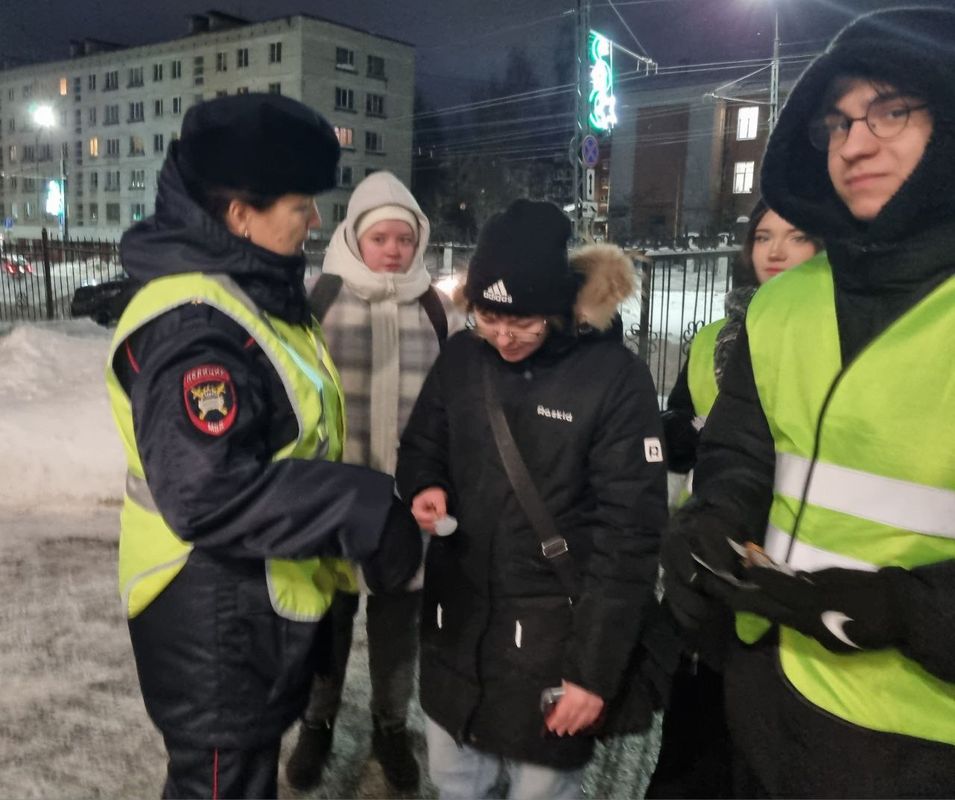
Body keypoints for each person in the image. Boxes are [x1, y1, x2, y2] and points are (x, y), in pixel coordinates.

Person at [662, 7, 955, 796]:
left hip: (922, 742)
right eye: (836, 123)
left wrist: (905, 609)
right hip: (768, 700)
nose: (853, 144)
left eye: (890, 111)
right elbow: (740, 455)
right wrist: (709, 523)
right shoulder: (782, 306)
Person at [105, 94, 422, 799]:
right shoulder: (197, 325)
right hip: (212, 622)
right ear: (239, 214)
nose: (315, 220)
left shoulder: (251, 294)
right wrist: (364, 509)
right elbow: (206, 489)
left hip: (247, 608)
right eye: (300, 205)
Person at [396, 199, 668, 800]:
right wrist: (424, 485)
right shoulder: (462, 357)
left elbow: (631, 538)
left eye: (522, 320)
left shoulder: (613, 378)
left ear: (558, 308)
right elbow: (421, 443)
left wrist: (592, 674)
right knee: (454, 785)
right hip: (457, 627)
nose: (503, 335)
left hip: (555, 643)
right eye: (488, 316)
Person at [285, 170, 463, 792]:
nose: (393, 250)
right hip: (336, 496)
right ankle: (317, 721)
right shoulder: (322, 298)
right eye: (380, 238)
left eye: (404, 239)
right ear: (354, 238)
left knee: (398, 625)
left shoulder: (435, 308)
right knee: (329, 618)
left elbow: (453, 402)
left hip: (408, 502)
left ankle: (390, 724)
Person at [649, 201, 821, 798]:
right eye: (763, 237)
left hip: (788, 575)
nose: (775, 251)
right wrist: (681, 431)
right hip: (709, 557)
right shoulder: (710, 339)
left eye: (796, 236)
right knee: (692, 741)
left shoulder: (831, 338)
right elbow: (677, 418)